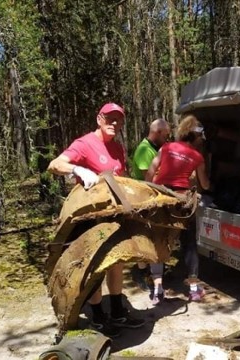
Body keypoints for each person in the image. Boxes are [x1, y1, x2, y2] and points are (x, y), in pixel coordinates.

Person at [47, 102, 144, 337]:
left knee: (117, 262)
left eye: (118, 120)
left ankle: (118, 311)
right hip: (90, 219)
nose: (114, 123)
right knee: (95, 265)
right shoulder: (85, 143)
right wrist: (77, 170)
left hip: (115, 216)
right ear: (99, 119)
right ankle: (99, 317)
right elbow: (55, 164)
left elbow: (122, 179)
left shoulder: (118, 148)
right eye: (110, 118)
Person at [146, 113, 210, 302]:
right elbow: (205, 185)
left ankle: (158, 288)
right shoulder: (197, 156)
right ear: (195, 137)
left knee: (158, 239)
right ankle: (193, 288)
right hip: (182, 200)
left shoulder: (166, 147)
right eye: (200, 137)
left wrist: (151, 190)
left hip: (162, 196)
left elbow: (150, 172)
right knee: (189, 242)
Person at [129, 119, 171, 296]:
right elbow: (150, 178)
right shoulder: (145, 150)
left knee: (153, 239)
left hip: (153, 201)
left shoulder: (153, 148)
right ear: (158, 132)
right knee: (145, 240)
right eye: (166, 135)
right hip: (144, 202)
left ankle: (151, 271)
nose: (168, 138)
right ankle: (140, 272)